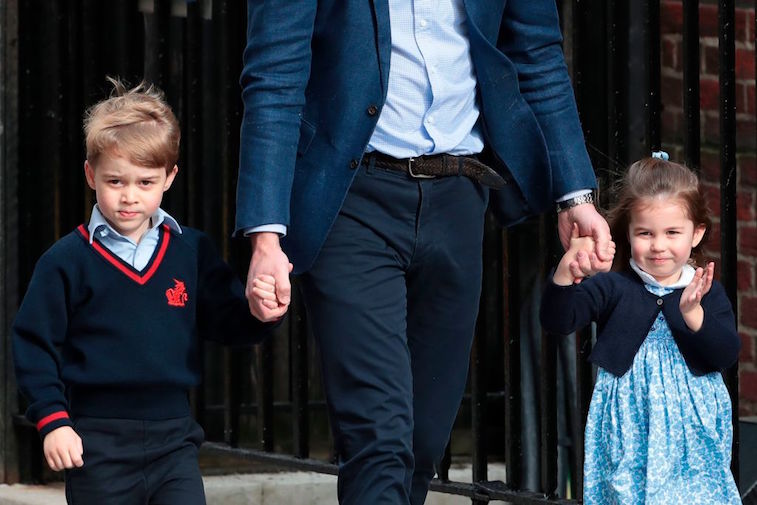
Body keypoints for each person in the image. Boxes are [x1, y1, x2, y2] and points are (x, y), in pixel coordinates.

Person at [236, 1, 612, 503]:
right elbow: (274, 77)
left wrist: (576, 195)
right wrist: (266, 238)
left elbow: (538, 55)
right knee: (379, 437)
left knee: (422, 439)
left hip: (459, 196)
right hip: (351, 198)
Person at [12, 78, 274, 505]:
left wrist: (260, 312)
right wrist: (53, 421)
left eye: (145, 182)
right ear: (90, 174)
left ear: (169, 177)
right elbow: (34, 345)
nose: (130, 196)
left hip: (175, 440)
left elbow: (228, 322)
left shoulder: (192, 251)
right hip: (97, 443)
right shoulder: (65, 261)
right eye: (116, 181)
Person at [541, 155, 741, 504]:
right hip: (628, 423)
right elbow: (558, 320)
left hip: (691, 428)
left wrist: (693, 314)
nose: (658, 245)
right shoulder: (612, 286)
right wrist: (565, 270)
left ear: (697, 233)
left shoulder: (703, 289)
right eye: (645, 233)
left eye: (672, 233)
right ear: (628, 232)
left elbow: (726, 353)